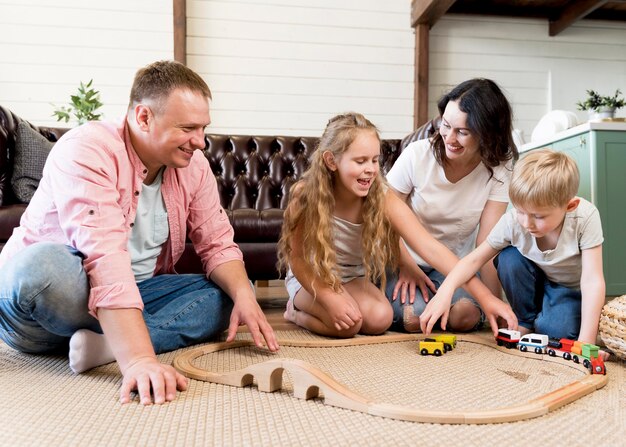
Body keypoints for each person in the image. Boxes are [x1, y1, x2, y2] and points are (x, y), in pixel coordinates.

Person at [0, 60, 279, 406]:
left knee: (230, 294)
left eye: (203, 128)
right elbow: (104, 258)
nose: (201, 141)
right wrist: (139, 361)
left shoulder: (194, 167)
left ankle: (103, 346)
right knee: (43, 269)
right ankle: (128, 342)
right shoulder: (87, 148)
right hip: (52, 301)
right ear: (144, 117)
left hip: (137, 292)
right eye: (189, 128)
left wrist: (245, 298)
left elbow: (218, 243)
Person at [278, 112, 516, 338]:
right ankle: (296, 314)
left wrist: (486, 298)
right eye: (360, 161)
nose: (371, 169)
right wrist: (330, 297)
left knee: (381, 319)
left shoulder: (379, 195)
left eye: (374, 160)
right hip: (313, 276)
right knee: (347, 327)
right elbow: (298, 260)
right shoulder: (305, 195)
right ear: (331, 161)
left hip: (352, 275)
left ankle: (331, 307)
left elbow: (430, 248)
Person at [424, 149, 608, 359]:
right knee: (509, 258)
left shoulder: (585, 217)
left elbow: (593, 280)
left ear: (569, 206)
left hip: (568, 289)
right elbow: (475, 259)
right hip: (533, 283)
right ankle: (526, 321)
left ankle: (546, 318)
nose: (527, 223)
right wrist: (445, 292)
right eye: (521, 211)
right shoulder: (513, 222)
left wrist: (586, 343)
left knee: (556, 332)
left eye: (538, 216)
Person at [385, 78, 519, 333]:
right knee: (415, 318)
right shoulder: (417, 155)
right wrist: (405, 264)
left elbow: (487, 244)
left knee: (465, 316)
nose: (450, 137)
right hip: (404, 260)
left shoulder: (499, 169)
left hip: (456, 268)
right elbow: (387, 219)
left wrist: (493, 303)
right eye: (446, 126)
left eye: (463, 132)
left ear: (487, 133)